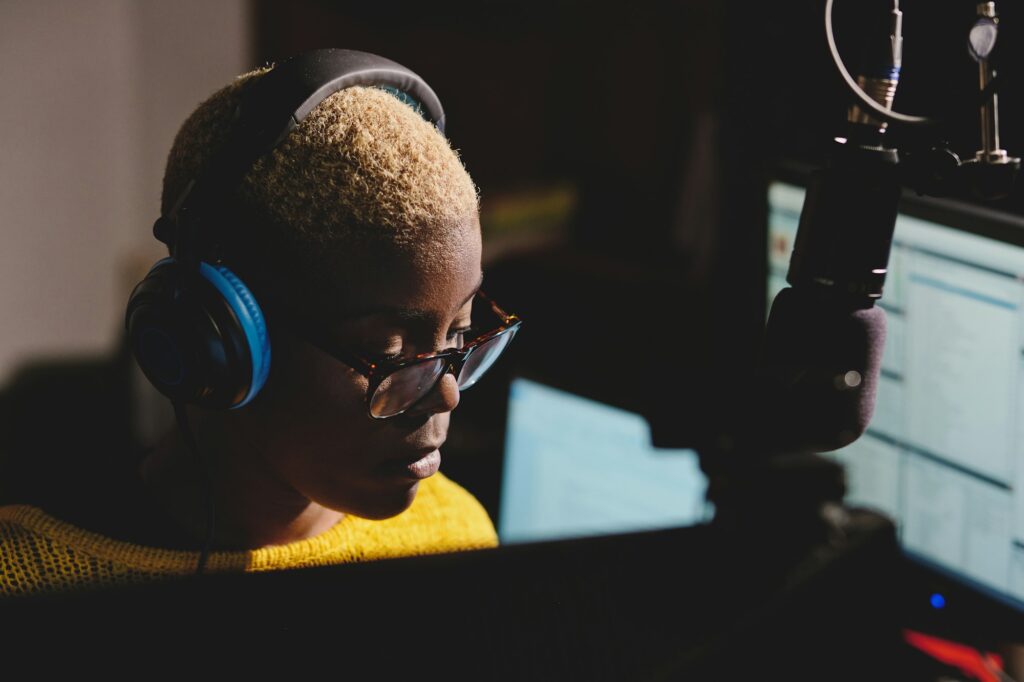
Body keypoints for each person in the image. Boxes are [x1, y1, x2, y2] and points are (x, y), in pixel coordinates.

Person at [0, 50, 519, 597]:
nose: (447, 394)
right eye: (391, 351)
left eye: (459, 334)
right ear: (223, 337)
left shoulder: (456, 539)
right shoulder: (27, 589)